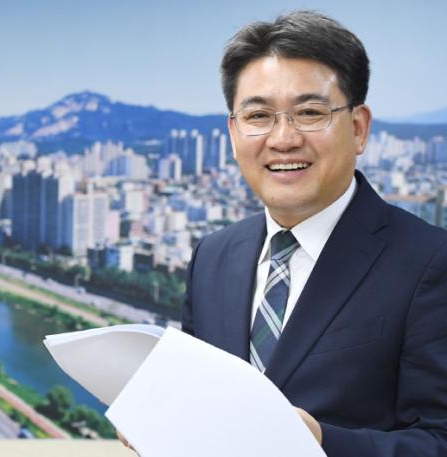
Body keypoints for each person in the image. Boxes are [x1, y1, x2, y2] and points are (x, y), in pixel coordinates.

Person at [180, 10, 447, 456]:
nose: (283, 139)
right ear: (233, 132)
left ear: (358, 128)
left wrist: (320, 442)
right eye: (258, 115)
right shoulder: (212, 255)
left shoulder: (429, 262)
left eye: (309, 112)